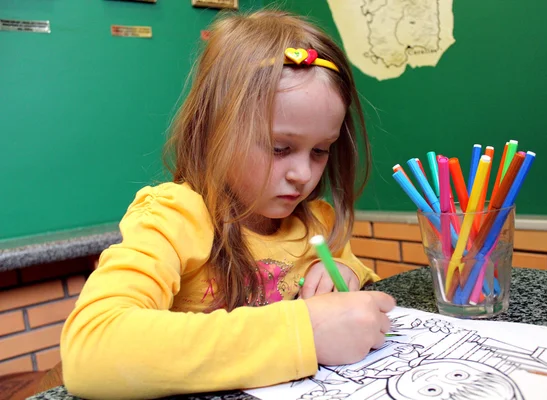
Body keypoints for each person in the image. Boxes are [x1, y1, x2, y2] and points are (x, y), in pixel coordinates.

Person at [60, 9, 396, 399]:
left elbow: (355, 291)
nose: (303, 174)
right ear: (214, 131)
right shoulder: (174, 218)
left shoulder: (318, 222)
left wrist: (344, 272)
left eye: (321, 150)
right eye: (279, 148)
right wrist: (303, 332)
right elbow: (92, 350)